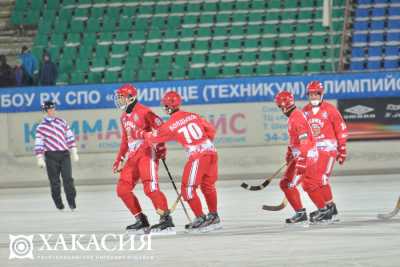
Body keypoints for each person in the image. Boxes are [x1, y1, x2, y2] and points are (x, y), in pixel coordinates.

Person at [134, 91, 222, 233]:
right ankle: (214, 216)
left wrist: (140, 133)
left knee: (187, 189)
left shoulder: (170, 124)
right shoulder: (193, 116)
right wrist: (204, 144)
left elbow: (153, 138)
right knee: (208, 185)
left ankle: (201, 218)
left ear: (168, 107)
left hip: (198, 156)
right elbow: (211, 130)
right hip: (212, 152)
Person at [113, 83, 174, 235]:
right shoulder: (123, 117)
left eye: (122, 98)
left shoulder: (144, 111)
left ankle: (166, 219)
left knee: (150, 188)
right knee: (122, 189)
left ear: (131, 97)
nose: (119, 101)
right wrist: (119, 158)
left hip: (147, 152)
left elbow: (162, 129)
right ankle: (141, 220)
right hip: (133, 155)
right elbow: (125, 140)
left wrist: (161, 148)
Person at [275, 91, 332, 224]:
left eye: (279, 106)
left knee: (307, 184)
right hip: (299, 155)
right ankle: (300, 213)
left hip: (307, 155)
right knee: (285, 183)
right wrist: (290, 152)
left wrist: (301, 160)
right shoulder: (293, 117)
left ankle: (324, 212)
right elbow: (296, 139)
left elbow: (305, 141)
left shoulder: (297, 118)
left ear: (284, 106)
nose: (280, 109)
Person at [303, 81, 348, 221]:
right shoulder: (305, 111)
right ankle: (329, 208)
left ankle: (326, 210)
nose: (314, 96)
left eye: (316, 93)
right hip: (313, 151)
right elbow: (303, 131)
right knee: (312, 180)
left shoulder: (330, 109)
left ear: (322, 94)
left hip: (328, 149)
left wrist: (342, 149)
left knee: (321, 178)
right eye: (311, 94)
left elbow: (341, 129)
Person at [34, 100, 79, 211]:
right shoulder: (41, 127)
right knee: (55, 182)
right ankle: (59, 203)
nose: (53, 111)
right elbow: (39, 143)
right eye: (50, 109)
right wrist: (39, 157)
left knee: (68, 179)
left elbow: (69, 136)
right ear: (45, 111)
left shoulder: (62, 122)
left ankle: (72, 202)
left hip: (64, 154)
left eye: (53, 108)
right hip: (51, 156)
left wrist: (73, 150)